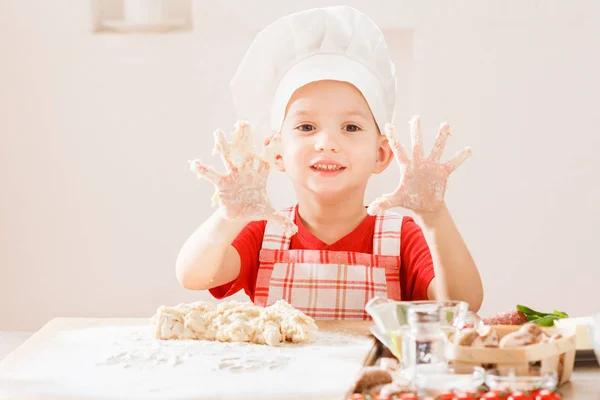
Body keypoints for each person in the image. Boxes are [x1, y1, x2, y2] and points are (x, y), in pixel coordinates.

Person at [176, 6, 483, 319]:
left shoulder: (401, 237)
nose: (327, 143)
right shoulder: (262, 233)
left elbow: (462, 305)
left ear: (381, 154)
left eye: (351, 127)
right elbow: (193, 276)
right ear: (277, 154)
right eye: (307, 127)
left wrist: (434, 216)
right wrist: (230, 216)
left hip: (370, 370)